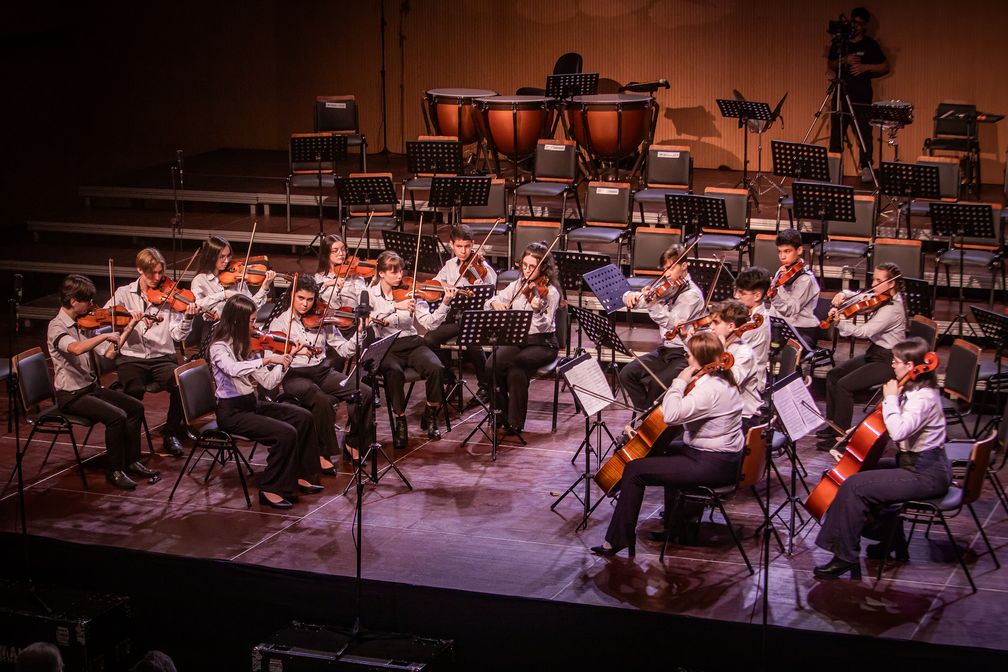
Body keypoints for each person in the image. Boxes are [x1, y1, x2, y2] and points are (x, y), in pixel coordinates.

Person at [592, 331, 743, 557]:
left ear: (701, 360)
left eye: (689, 355)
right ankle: (677, 527)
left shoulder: (710, 389)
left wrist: (679, 382)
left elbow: (671, 415)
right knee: (656, 452)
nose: (686, 358)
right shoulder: (722, 380)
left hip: (712, 463)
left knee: (634, 470)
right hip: (719, 457)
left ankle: (618, 540)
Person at [813, 337, 949, 580]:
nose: (892, 366)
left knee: (854, 486)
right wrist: (858, 431)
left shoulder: (923, 398)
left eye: (896, 362)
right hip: (913, 464)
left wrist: (890, 398)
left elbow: (899, 431)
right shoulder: (910, 389)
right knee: (854, 473)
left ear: (911, 366)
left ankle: (845, 556)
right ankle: (889, 538)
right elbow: (887, 423)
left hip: (926, 472)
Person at [208, 294, 323, 509]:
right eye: (251, 321)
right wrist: (268, 358)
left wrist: (285, 361)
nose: (255, 325)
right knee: (285, 433)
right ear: (236, 322)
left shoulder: (247, 346)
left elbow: (268, 383)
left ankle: (300, 475)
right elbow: (232, 369)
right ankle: (270, 488)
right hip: (231, 413)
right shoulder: (219, 348)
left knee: (303, 417)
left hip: (251, 404)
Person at [47, 274, 154, 490]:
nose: (92, 306)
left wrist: (130, 325)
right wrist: (104, 336)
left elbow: (109, 355)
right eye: (87, 301)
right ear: (74, 301)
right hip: (71, 396)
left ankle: (131, 461)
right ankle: (114, 470)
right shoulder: (56, 327)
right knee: (116, 417)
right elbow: (76, 348)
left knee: (135, 408)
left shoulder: (83, 324)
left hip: (90, 388)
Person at [269, 274, 374, 467]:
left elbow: (343, 349)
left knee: (365, 392)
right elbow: (274, 360)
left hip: (322, 371)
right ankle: (322, 453)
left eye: (310, 300)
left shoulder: (322, 319)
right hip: (295, 375)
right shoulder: (280, 324)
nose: (305, 304)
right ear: (292, 296)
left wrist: (359, 332)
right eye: (301, 298)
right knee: (322, 400)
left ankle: (353, 442)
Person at [107, 247, 198, 457]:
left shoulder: (170, 295)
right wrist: (129, 317)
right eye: (152, 274)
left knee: (180, 384)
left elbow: (177, 336)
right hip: (132, 358)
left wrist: (188, 319)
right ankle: (130, 443)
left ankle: (171, 432)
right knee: (133, 391)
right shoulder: (124, 294)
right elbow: (107, 315)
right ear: (140, 270)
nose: (158, 278)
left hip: (161, 358)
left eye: (160, 272)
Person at [369, 251, 456, 449]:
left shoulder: (411, 291)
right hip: (387, 346)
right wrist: (394, 307)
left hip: (412, 342)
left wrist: (445, 303)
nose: (400, 276)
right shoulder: (371, 294)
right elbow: (372, 323)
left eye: (400, 271)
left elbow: (429, 323)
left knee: (436, 367)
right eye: (393, 272)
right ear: (381, 273)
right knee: (394, 372)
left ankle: (430, 414)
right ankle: (400, 421)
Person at [815, 262, 906, 451]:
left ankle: (841, 436)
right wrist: (844, 294)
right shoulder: (881, 297)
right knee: (833, 375)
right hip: (876, 352)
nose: (874, 284)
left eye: (879, 280)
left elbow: (864, 331)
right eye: (874, 278)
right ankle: (833, 427)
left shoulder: (893, 309)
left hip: (889, 360)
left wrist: (840, 322)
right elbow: (865, 295)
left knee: (844, 385)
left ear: (891, 284)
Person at [618, 244, 704, 414]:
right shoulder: (670, 286)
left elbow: (672, 323)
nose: (667, 274)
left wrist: (652, 304)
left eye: (670, 268)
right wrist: (630, 296)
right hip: (665, 351)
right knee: (626, 374)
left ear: (684, 265)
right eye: (665, 269)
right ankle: (646, 415)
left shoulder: (691, 295)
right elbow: (645, 300)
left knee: (657, 385)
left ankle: (649, 421)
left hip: (683, 353)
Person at [485, 241, 560, 435]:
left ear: (543, 267)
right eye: (523, 265)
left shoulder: (550, 292)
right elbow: (492, 300)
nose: (526, 271)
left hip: (542, 343)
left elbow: (544, 325)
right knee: (491, 364)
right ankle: (500, 413)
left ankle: (515, 421)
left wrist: (536, 310)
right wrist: (495, 305)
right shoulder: (517, 285)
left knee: (517, 365)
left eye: (531, 267)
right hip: (518, 340)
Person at [426, 225, 498, 401]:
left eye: (467, 246)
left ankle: (486, 387)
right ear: (452, 245)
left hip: (475, 317)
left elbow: (491, 286)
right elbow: (435, 282)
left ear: (473, 244)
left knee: (472, 343)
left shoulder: (482, 266)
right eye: (459, 246)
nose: (464, 251)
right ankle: (449, 378)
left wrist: (480, 276)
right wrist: (445, 286)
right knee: (429, 339)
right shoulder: (450, 265)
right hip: (455, 317)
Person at [827, 6, 890, 183]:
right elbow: (831, 64)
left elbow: (885, 66)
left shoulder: (871, 45)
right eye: (853, 22)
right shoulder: (840, 43)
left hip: (861, 96)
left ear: (865, 26)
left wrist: (865, 67)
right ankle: (834, 168)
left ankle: (866, 167)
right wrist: (844, 60)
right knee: (837, 133)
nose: (855, 26)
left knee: (864, 133)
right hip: (841, 94)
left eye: (859, 24)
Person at [708, 299, 763, 432]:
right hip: (722, 411)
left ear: (731, 326)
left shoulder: (744, 353)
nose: (711, 327)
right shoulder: (721, 345)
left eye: (716, 323)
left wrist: (722, 353)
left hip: (743, 417)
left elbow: (732, 382)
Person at [191, 235, 275, 318]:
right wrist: (224, 294)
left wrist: (264, 287)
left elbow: (251, 308)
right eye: (222, 257)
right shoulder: (200, 280)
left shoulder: (236, 278)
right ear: (211, 257)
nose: (227, 260)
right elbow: (197, 306)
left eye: (228, 256)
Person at [767, 229, 821, 347]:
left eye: (787, 251)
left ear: (799, 250)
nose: (782, 256)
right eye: (780, 252)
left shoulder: (806, 279)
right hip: (781, 326)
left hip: (801, 331)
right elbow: (774, 308)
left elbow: (790, 311)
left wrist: (775, 293)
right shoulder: (782, 272)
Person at [732, 266, 772, 370]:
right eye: (736, 291)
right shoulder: (747, 315)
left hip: (749, 380)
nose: (736, 296)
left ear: (757, 296)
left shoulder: (755, 325)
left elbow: (724, 348)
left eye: (741, 293)